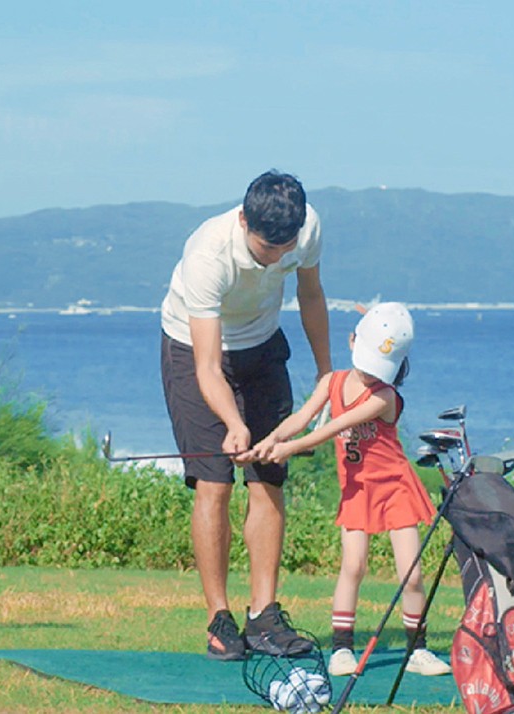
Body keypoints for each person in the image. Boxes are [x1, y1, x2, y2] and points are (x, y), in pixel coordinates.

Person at [159, 171, 331, 660]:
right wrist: (234, 425)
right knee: (214, 483)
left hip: (262, 344)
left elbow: (311, 295)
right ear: (243, 221)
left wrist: (326, 372)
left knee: (268, 476)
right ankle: (220, 619)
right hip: (193, 349)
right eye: (266, 248)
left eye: (285, 247)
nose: (276, 257)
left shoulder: (307, 228)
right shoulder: (207, 255)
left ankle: (264, 617)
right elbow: (208, 367)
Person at [249, 302, 452, 676]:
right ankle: (342, 649)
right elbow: (302, 417)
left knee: (411, 574)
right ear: (352, 341)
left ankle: (417, 650)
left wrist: (289, 449)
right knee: (353, 566)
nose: (371, 373)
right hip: (357, 489)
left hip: (395, 488)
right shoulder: (332, 382)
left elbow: (333, 427)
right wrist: (269, 441)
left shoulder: (384, 397)